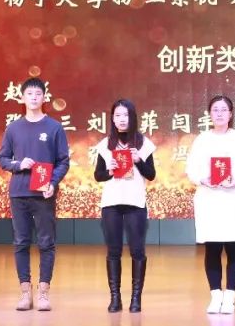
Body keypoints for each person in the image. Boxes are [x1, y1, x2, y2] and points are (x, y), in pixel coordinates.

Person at [0, 77, 70, 312]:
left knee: (46, 242)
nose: (34, 97)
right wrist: (19, 165)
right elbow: (2, 159)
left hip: (44, 194)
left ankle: (43, 293)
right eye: (29, 94)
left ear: (44, 97)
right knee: (21, 242)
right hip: (19, 193)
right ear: (22, 98)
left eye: (38, 93)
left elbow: (63, 161)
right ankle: (25, 293)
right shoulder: (13, 128)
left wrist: (53, 182)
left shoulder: (54, 127)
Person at [186, 95, 235, 314]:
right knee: (212, 248)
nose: (219, 113)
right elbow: (191, 169)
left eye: (223, 110)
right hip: (209, 200)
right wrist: (203, 179)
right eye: (215, 110)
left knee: (234, 247)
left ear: (230, 114)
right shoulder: (202, 140)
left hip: (233, 200)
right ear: (210, 114)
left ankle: (230, 296)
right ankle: (216, 295)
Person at [92, 99, 157, 313]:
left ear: (133, 117)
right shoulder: (105, 145)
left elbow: (151, 174)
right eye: (118, 115)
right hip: (111, 203)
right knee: (113, 251)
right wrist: (109, 171)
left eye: (126, 115)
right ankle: (115, 298)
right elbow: (98, 175)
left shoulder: (144, 144)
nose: (122, 119)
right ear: (112, 118)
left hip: (135, 203)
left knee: (137, 250)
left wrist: (138, 160)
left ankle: (136, 298)